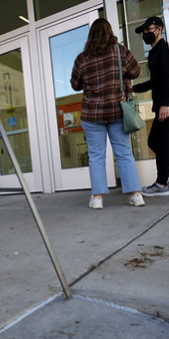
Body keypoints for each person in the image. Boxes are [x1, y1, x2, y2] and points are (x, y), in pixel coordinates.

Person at [70, 18, 145, 209]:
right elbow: (137, 71)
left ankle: (97, 198)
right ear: (109, 32)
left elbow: (75, 85)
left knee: (96, 155)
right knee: (123, 152)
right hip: (116, 110)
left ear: (91, 35)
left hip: (92, 113)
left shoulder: (82, 58)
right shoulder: (120, 51)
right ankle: (136, 195)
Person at [133, 16, 169, 197]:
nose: (146, 34)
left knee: (160, 143)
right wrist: (132, 88)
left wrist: (165, 104)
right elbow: (153, 82)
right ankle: (163, 180)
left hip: (165, 107)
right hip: (160, 106)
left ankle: (162, 184)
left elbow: (167, 78)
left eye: (149, 30)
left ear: (160, 29)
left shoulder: (164, 49)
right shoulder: (154, 53)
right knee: (154, 142)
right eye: (144, 32)